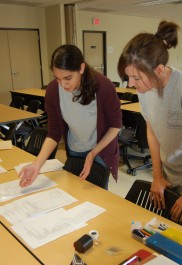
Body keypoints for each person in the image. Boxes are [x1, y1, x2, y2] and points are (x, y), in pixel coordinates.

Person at [117, 20, 182, 231]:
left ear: (159, 70)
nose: (131, 84)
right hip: (172, 176)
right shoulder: (146, 90)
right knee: (165, 234)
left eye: (136, 77)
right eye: (128, 77)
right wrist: (157, 176)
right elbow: (152, 131)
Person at [19, 44, 122, 189]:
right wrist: (37, 165)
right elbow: (54, 133)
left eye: (68, 78)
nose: (63, 84)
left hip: (100, 150)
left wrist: (93, 153)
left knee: (97, 195)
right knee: (75, 190)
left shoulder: (103, 86)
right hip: (75, 148)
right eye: (58, 78)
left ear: (81, 68)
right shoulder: (53, 91)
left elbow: (115, 125)